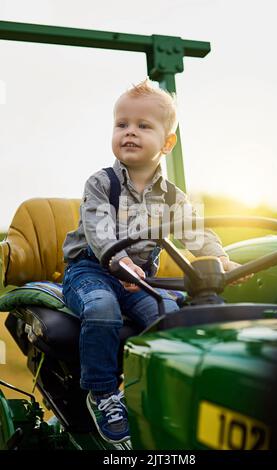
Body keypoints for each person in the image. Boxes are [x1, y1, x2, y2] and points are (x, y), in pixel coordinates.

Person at [62, 78, 249, 444]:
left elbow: (197, 234)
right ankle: (101, 392)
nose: (129, 133)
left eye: (143, 126)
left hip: (140, 278)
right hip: (92, 270)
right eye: (122, 124)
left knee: (171, 315)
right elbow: (99, 231)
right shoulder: (100, 183)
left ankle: (155, 388)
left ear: (167, 143)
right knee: (101, 308)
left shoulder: (174, 197)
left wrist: (221, 259)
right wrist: (118, 261)